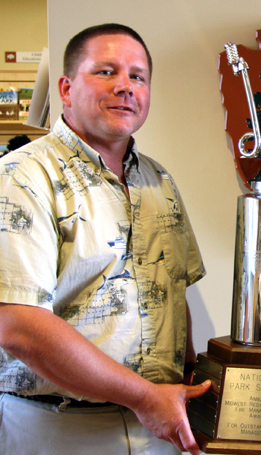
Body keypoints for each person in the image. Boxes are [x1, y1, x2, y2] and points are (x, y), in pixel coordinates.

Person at [0, 24, 211, 455]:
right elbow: (17, 326)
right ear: (65, 87)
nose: (124, 87)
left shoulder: (159, 180)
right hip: (58, 428)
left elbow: (172, 290)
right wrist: (143, 396)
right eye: (105, 72)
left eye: (137, 77)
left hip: (160, 426)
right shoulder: (21, 176)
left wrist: (188, 374)